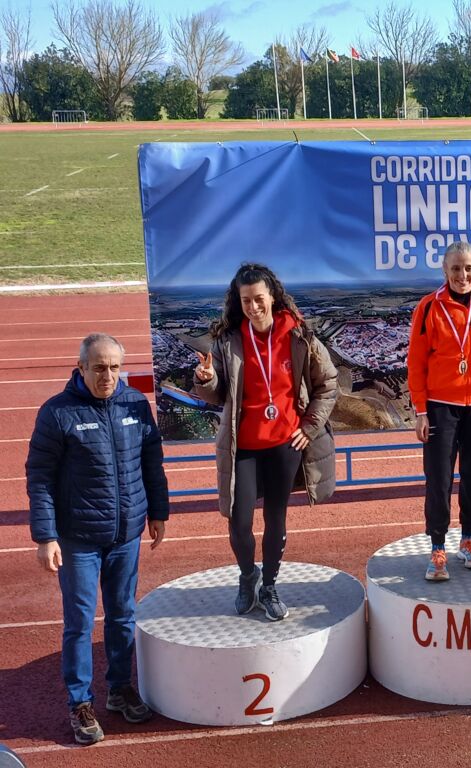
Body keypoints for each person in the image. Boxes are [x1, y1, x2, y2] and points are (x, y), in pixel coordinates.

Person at [27, 333, 169, 745]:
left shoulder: (135, 404)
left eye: (114, 368)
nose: (108, 376)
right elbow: (40, 478)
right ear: (82, 368)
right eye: (99, 368)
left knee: (123, 615)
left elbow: (152, 462)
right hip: (78, 540)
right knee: (79, 622)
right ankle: (80, 703)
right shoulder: (57, 413)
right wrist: (46, 536)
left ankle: (120, 689)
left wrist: (158, 512)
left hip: (126, 535)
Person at [193, 263, 338, 621]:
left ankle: (269, 585)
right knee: (239, 520)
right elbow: (217, 394)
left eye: (259, 298)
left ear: (272, 296)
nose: (253, 306)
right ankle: (248, 576)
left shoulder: (299, 335)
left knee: (276, 519)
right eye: (246, 300)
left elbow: (328, 384)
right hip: (243, 446)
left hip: (285, 445)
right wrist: (206, 379)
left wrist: (310, 426)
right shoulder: (229, 340)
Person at [407, 241, 471, 581]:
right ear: (445, 270)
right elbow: (416, 362)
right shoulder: (428, 307)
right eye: (455, 268)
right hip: (441, 407)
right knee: (438, 478)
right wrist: (421, 410)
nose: (462, 275)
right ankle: (437, 546)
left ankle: (467, 539)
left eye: (468, 268)